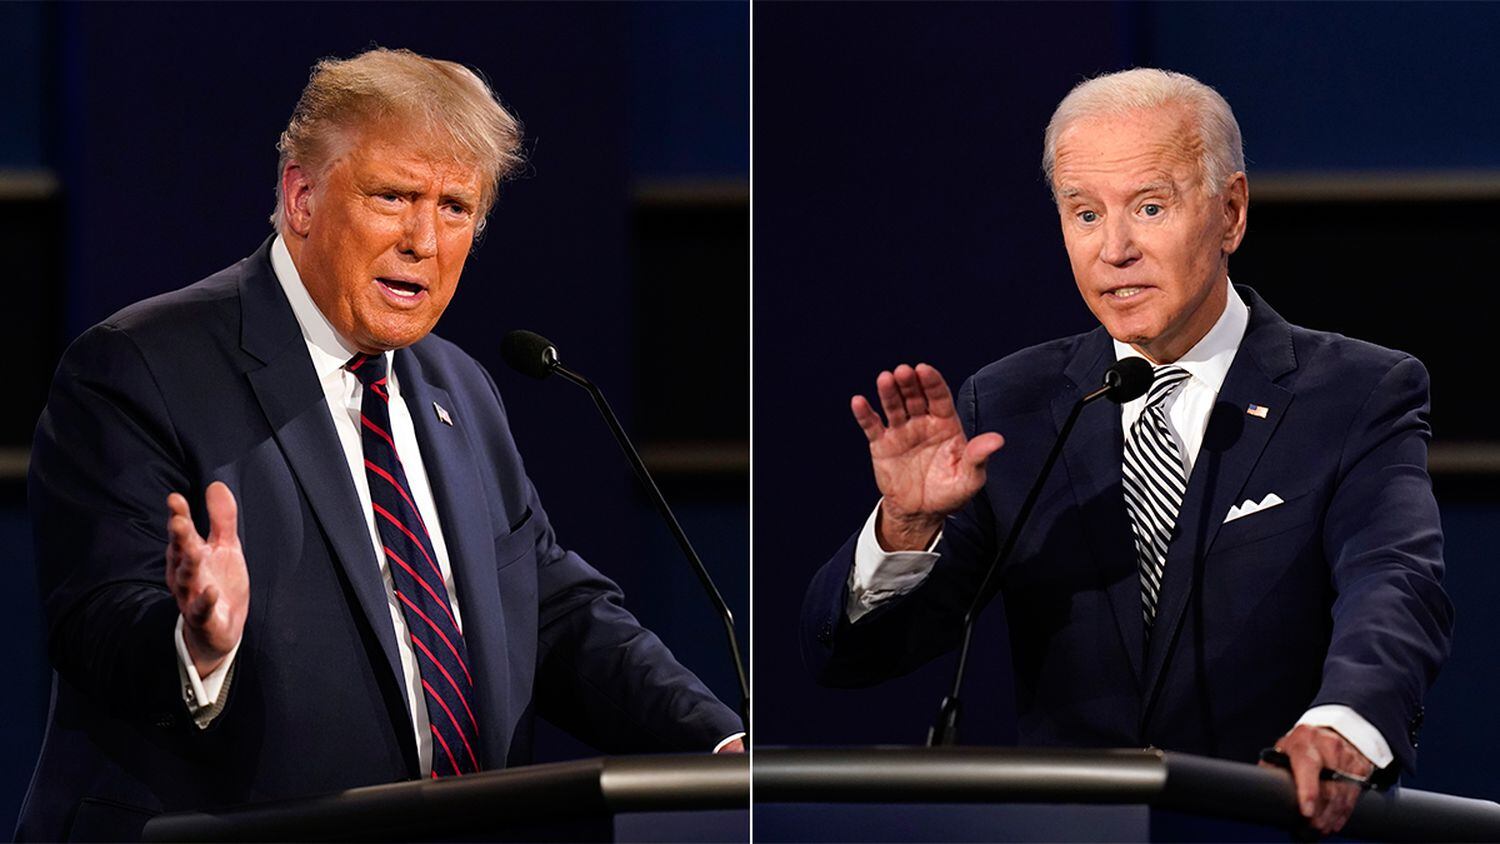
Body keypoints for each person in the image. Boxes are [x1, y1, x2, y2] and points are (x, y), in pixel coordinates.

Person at [20, 48, 742, 842]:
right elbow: (96, 619)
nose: (423, 240)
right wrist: (197, 643)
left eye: (455, 208)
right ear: (300, 197)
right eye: (393, 196)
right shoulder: (137, 368)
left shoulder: (458, 389)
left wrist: (713, 742)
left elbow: (556, 612)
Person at [801, 68, 1451, 836]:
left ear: (1231, 212)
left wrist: (1345, 723)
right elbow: (851, 658)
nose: (1114, 249)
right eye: (1084, 214)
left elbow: (1395, 584)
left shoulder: (1356, 394)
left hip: (1269, 824)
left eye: (1149, 207)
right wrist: (907, 527)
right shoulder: (1009, 408)